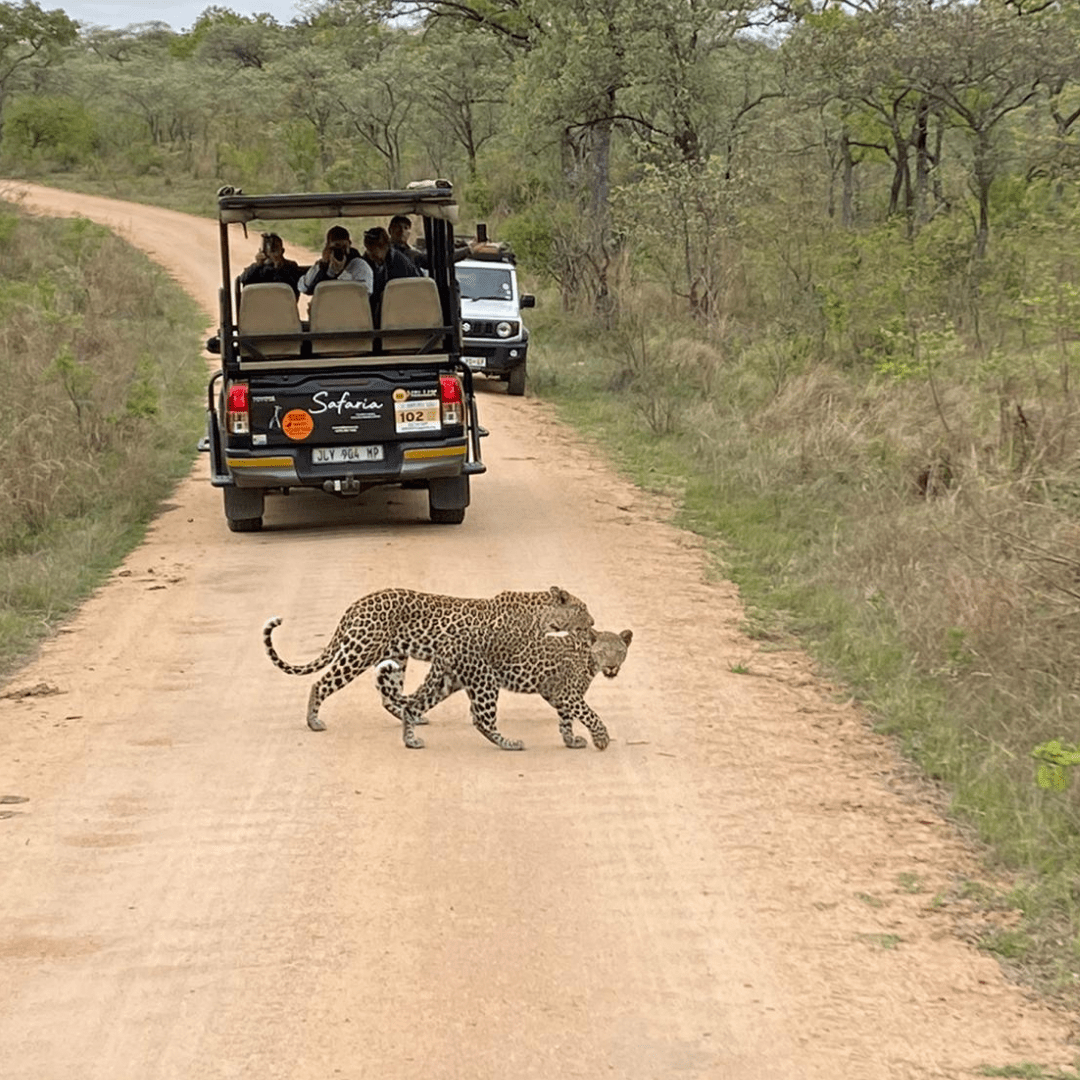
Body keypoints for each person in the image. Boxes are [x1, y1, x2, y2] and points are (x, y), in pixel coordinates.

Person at [362, 225, 421, 320]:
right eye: (369, 251)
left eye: (375, 251)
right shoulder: (365, 263)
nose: (372, 256)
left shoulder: (401, 264)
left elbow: (413, 292)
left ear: (385, 246)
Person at [299, 225, 374, 295]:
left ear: (350, 244)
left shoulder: (360, 265)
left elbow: (363, 295)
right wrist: (322, 265)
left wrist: (341, 273)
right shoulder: (323, 265)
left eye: (344, 246)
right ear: (327, 247)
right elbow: (304, 287)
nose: (340, 250)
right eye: (336, 246)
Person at [238, 232, 305, 295]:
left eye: (275, 249)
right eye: (269, 250)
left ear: (282, 251)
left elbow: (294, 288)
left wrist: (278, 267)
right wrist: (257, 265)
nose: (272, 254)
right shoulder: (257, 268)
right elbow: (243, 279)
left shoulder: (290, 266)